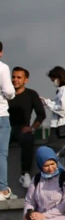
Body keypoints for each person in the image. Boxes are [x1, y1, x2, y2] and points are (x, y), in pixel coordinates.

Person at [8, 66, 45, 191]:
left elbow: (41, 114)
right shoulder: (5, 94)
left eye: (19, 77)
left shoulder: (31, 94)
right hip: (5, 128)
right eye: (13, 77)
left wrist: (32, 128)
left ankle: (25, 174)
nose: (15, 80)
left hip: (22, 129)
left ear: (26, 80)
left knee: (27, 138)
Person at [0, 43, 14, 201]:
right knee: (1, 153)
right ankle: (2, 189)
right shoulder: (2, 67)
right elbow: (9, 92)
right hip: (1, 115)